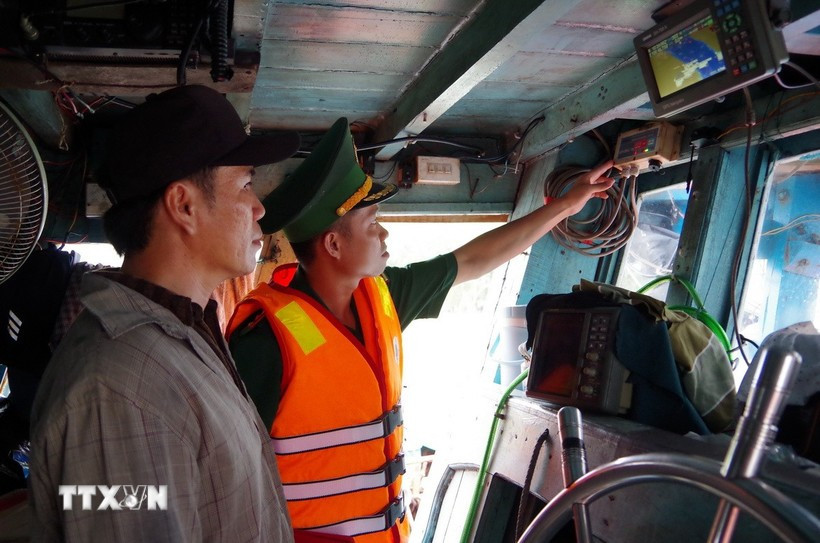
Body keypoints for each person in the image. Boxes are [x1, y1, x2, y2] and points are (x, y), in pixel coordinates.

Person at [226, 117, 615, 542]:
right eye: (372, 221)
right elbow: (228, 483)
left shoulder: (382, 296)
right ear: (333, 246)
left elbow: (473, 260)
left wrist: (564, 206)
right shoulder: (265, 343)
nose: (384, 231)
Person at [28, 85, 301, 542]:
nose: (259, 207)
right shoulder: (114, 392)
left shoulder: (184, 332)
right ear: (184, 205)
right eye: (246, 183)